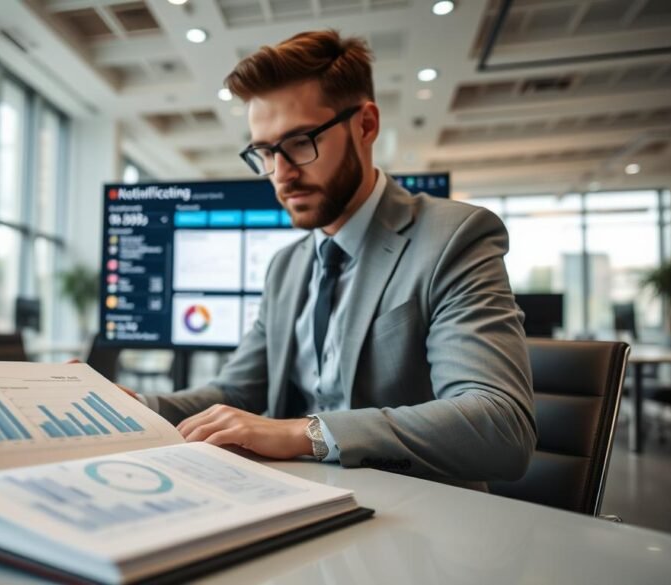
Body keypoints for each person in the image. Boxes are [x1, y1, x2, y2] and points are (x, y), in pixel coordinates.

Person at [136, 30, 537, 489]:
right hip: (295, 501)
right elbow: (234, 392)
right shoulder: (286, 267)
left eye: (301, 141)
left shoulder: (453, 238)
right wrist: (131, 407)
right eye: (264, 152)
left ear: (365, 126)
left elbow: (501, 425)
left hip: (421, 520)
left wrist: (303, 433)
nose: (281, 174)